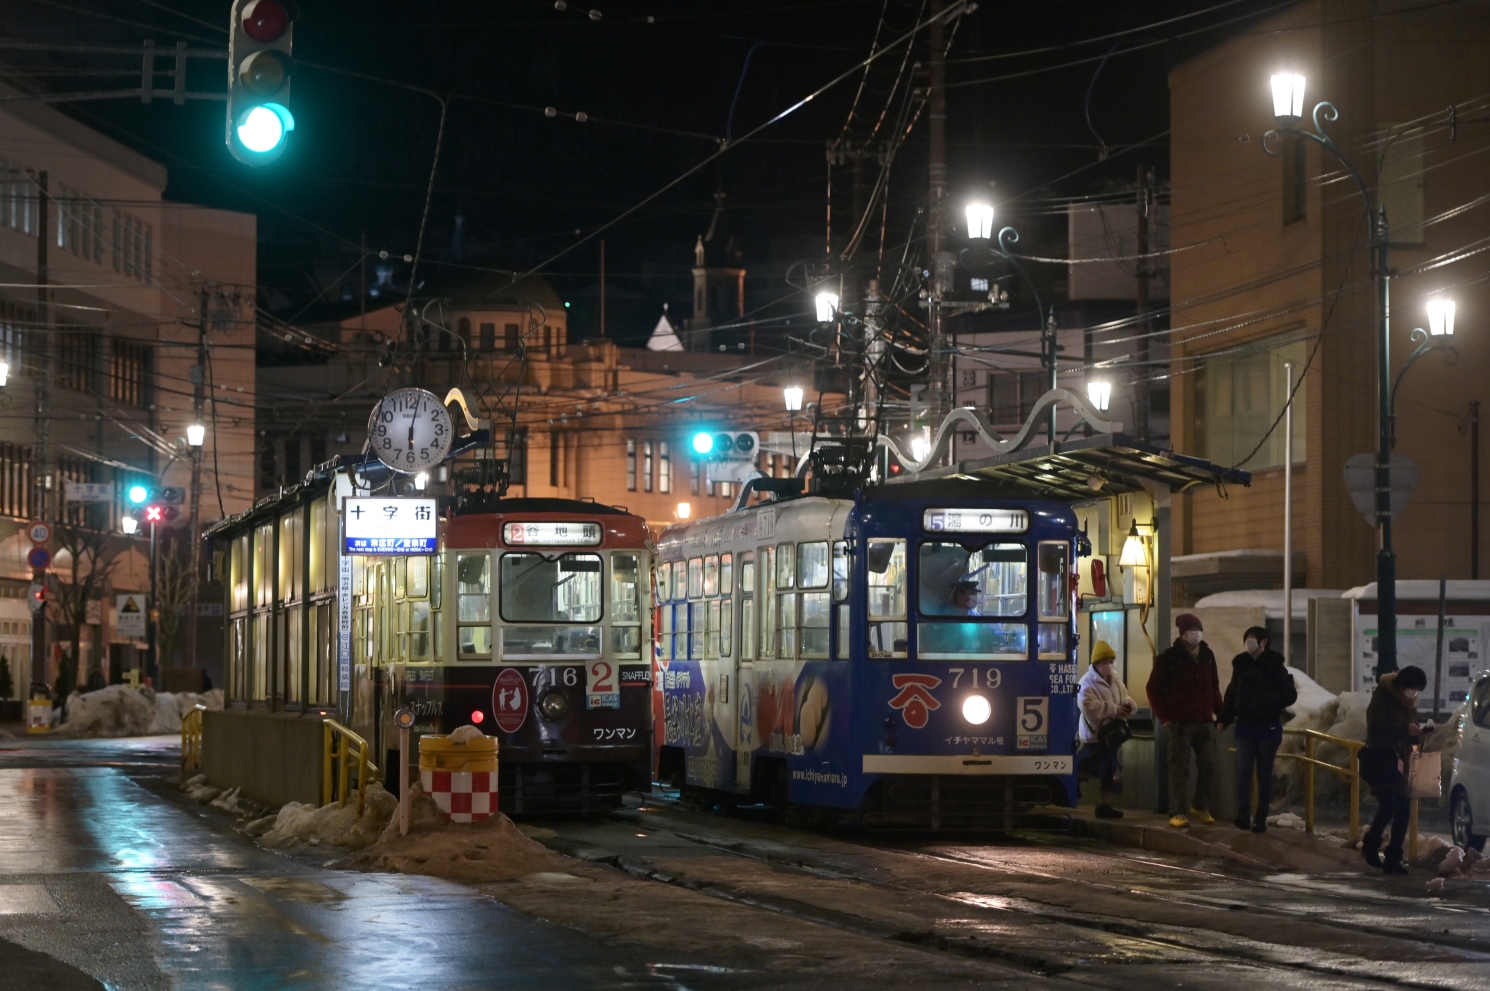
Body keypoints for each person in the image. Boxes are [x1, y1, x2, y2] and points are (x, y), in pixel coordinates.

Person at [1147, 612, 1224, 829]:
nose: (1196, 634)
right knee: (1179, 768)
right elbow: (1153, 689)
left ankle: (1200, 805)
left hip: (1205, 721)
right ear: (1182, 634)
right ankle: (1177, 812)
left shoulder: (1207, 655)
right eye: (1191, 630)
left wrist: (1221, 713)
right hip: (1179, 724)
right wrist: (1165, 717)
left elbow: (1214, 687)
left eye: (1198, 630)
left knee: (1209, 763)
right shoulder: (1169, 658)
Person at [1219, 627, 1297, 833]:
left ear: (1264, 642)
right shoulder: (1241, 665)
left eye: (1253, 639)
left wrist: (1269, 703)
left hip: (1268, 727)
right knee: (1243, 772)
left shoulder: (1275, 666)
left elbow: (1290, 694)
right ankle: (1243, 815)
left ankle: (1260, 818)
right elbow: (1232, 693)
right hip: (1245, 726)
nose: (1249, 642)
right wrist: (1224, 719)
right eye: (1247, 638)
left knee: (1264, 773)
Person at [1359, 665, 1430, 875]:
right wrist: (1402, 729)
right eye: (1413, 688)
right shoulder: (1382, 697)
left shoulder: (1409, 704)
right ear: (1403, 685)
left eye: (1418, 690)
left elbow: (1410, 728)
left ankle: (1392, 858)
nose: (1415, 693)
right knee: (1389, 804)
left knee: (1403, 809)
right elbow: (1375, 727)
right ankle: (1371, 846)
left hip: (1401, 762)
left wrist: (1418, 733)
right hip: (1382, 759)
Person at [1077, 640, 1135, 819]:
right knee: (1086, 767)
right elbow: (1087, 706)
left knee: (1110, 771)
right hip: (1095, 737)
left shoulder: (1115, 679)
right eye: (1104, 662)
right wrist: (1113, 709)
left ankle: (1105, 805)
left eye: (1110, 662)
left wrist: (1128, 705)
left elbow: (1125, 696)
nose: (1108, 665)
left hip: (1112, 737)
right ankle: (1071, 788)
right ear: (1096, 664)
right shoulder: (1087, 682)